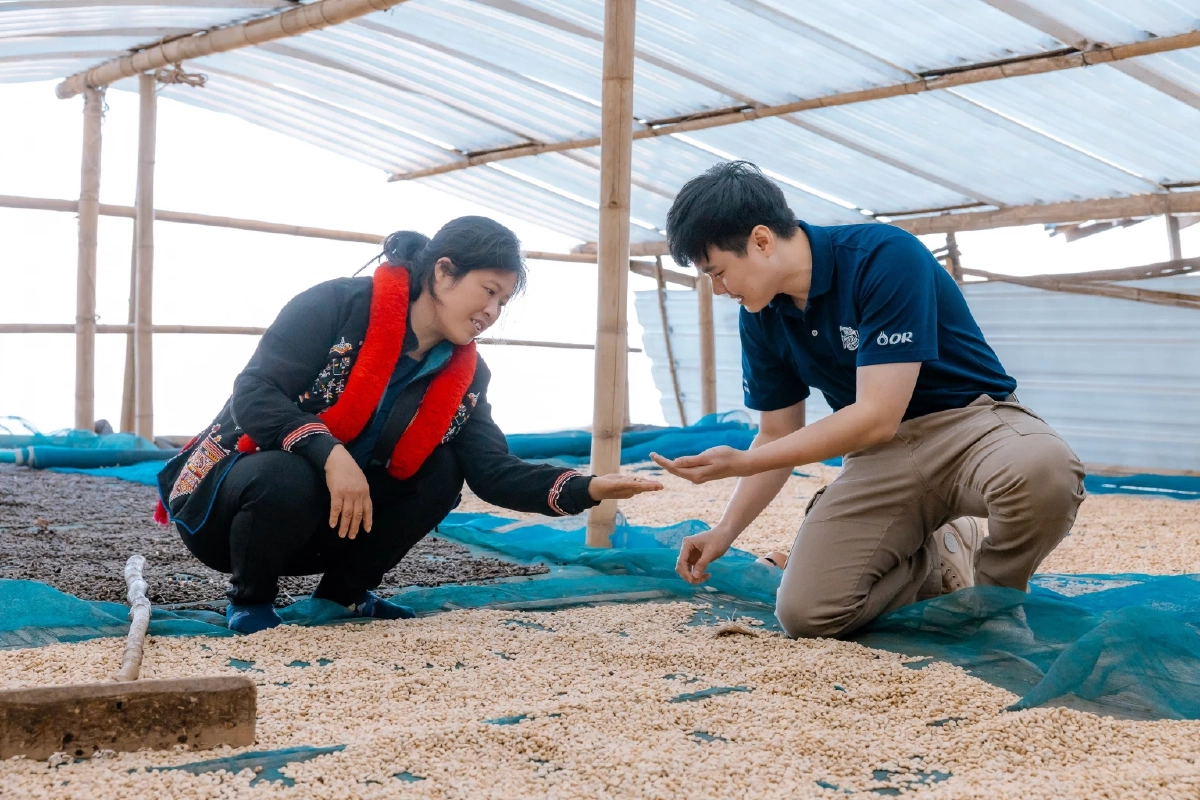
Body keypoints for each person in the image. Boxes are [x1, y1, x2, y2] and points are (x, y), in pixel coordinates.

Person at [157, 217, 661, 633]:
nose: (491, 311)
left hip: (325, 527)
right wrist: (329, 454)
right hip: (231, 512)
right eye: (488, 291)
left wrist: (588, 487)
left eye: (502, 302)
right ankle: (252, 601)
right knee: (285, 474)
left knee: (442, 471)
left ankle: (343, 597)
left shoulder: (466, 375)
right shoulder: (336, 305)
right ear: (443, 272)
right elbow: (254, 392)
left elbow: (492, 470)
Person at [651, 162, 1085, 640]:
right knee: (807, 615)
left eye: (718, 272)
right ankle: (935, 553)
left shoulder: (883, 256)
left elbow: (877, 415)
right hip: (882, 458)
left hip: (973, 426)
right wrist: (723, 532)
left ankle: (995, 601)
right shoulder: (761, 313)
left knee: (1044, 468)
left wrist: (740, 463)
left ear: (761, 241)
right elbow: (777, 433)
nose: (718, 289)